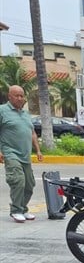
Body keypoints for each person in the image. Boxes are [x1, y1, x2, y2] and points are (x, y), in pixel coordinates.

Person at [0, 85, 43, 222]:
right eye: (16, 95)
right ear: (9, 96)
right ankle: (16, 210)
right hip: (10, 152)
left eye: (22, 95)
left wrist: (38, 150)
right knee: (18, 180)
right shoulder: (2, 111)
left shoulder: (25, 114)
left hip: (25, 155)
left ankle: (23, 208)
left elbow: (32, 133)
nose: (20, 98)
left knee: (30, 184)